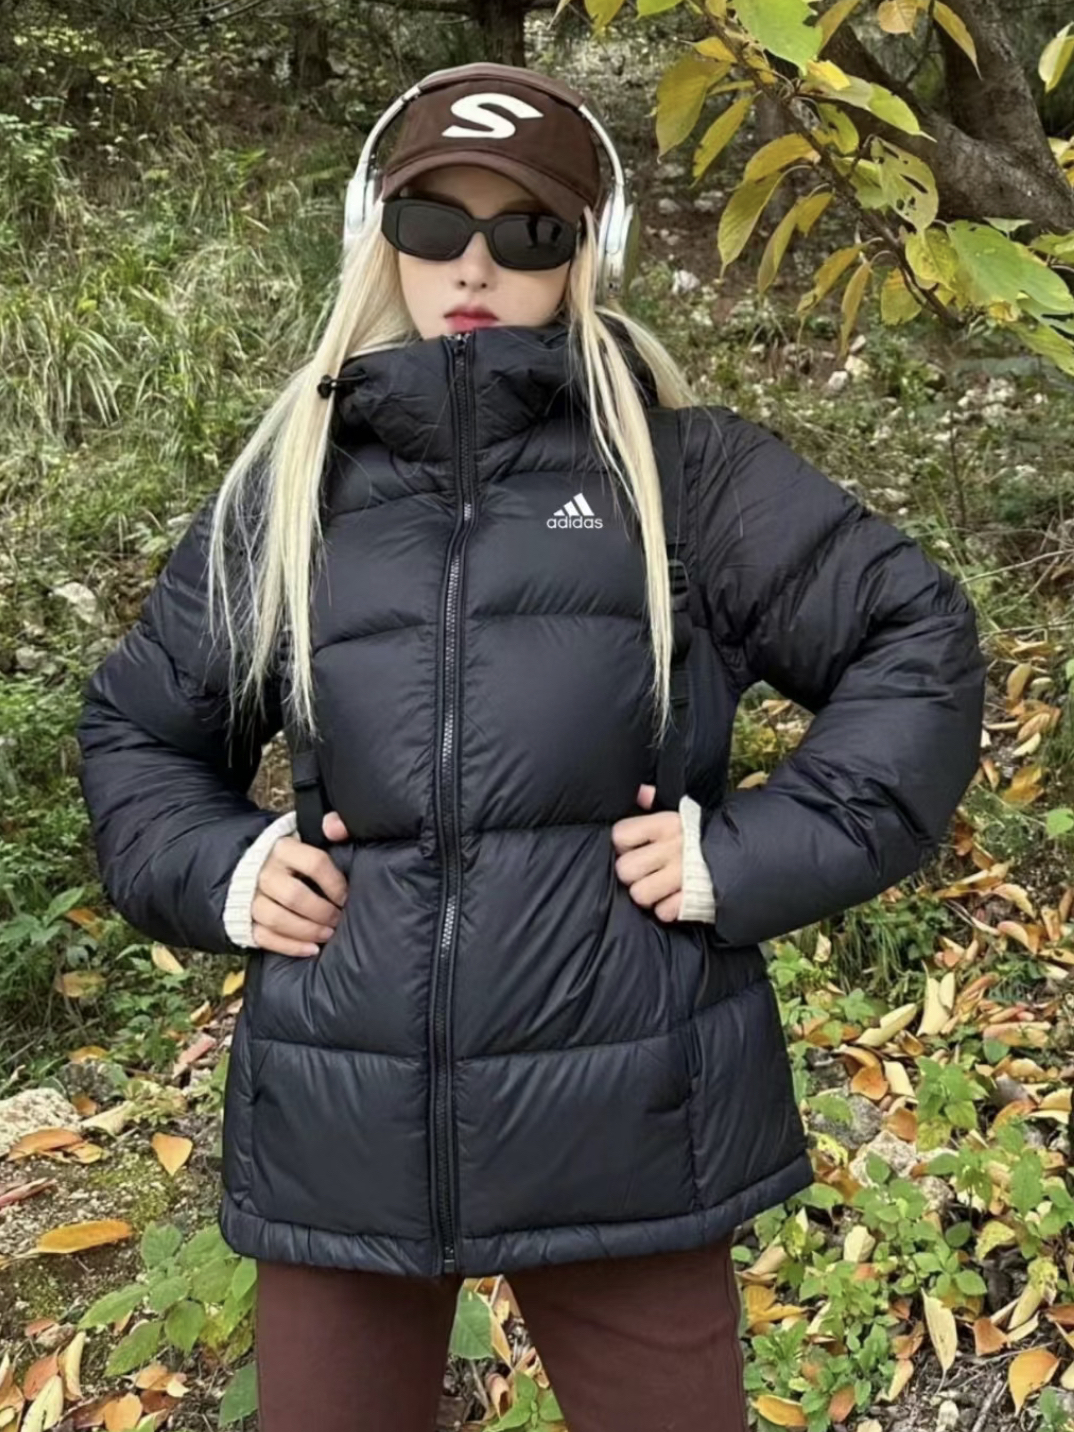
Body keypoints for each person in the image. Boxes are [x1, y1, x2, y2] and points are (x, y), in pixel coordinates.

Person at [75, 59, 988, 1432]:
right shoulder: (289, 494)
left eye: (528, 231)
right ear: (376, 235)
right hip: (344, 1119)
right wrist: (218, 867)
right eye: (433, 221)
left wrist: (750, 854)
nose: (474, 263)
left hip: (631, 1108)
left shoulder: (684, 474)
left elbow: (915, 637)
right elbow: (139, 733)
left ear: (585, 256)